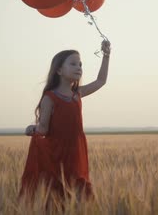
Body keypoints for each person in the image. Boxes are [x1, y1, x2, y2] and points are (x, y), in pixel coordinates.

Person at [17, 39, 111, 211]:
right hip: (57, 152)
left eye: (80, 64)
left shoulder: (78, 94)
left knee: (79, 187)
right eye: (73, 64)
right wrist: (32, 129)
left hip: (76, 149)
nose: (79, 68)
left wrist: (106, 55)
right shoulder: (49, 97)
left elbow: (100, 81)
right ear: (59, 70)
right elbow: (43, 128)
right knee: (58, 190)